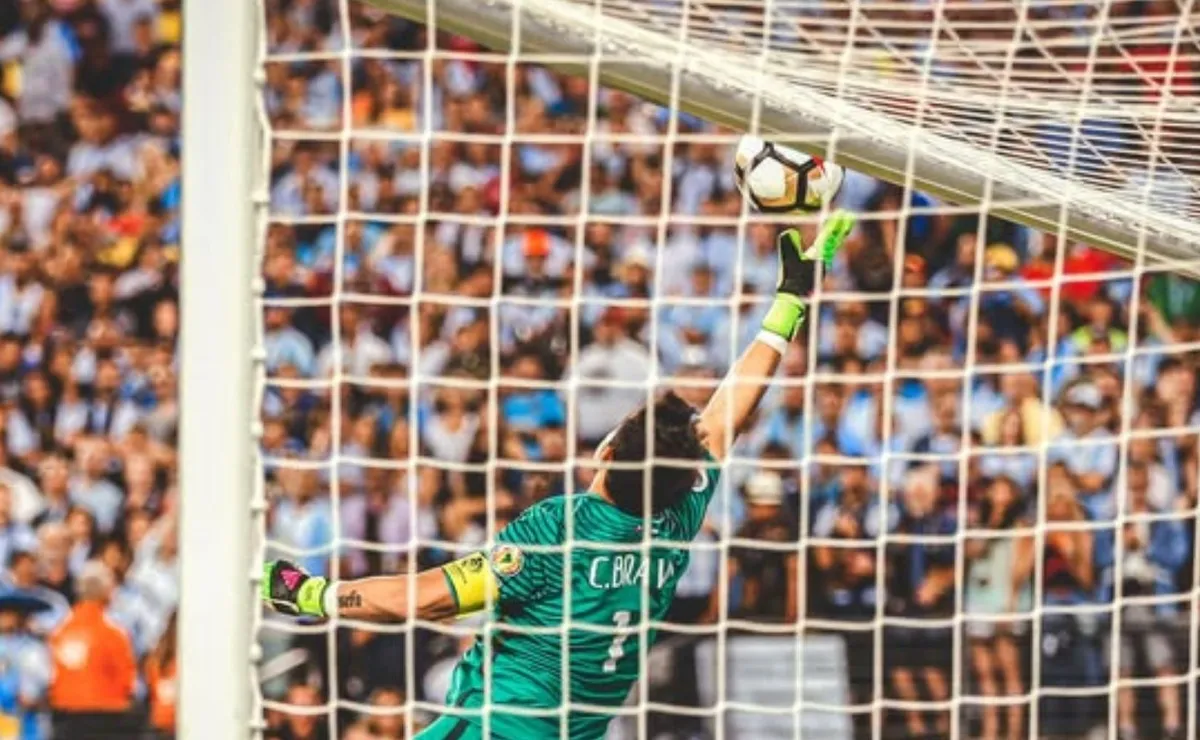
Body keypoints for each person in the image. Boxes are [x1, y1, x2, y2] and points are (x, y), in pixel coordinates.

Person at [260, 211, 857, 740]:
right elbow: (728, 416)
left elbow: (429, 598)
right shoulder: (677, 515)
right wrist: (790, 303)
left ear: (606, 453)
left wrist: (312, 594)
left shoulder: (559, 530)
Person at [46, 560, 137, 739]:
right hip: (106, 719)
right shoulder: (112, 632)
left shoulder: (60, 630)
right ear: (107, 592)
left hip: (65, 718)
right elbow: (127, 681)